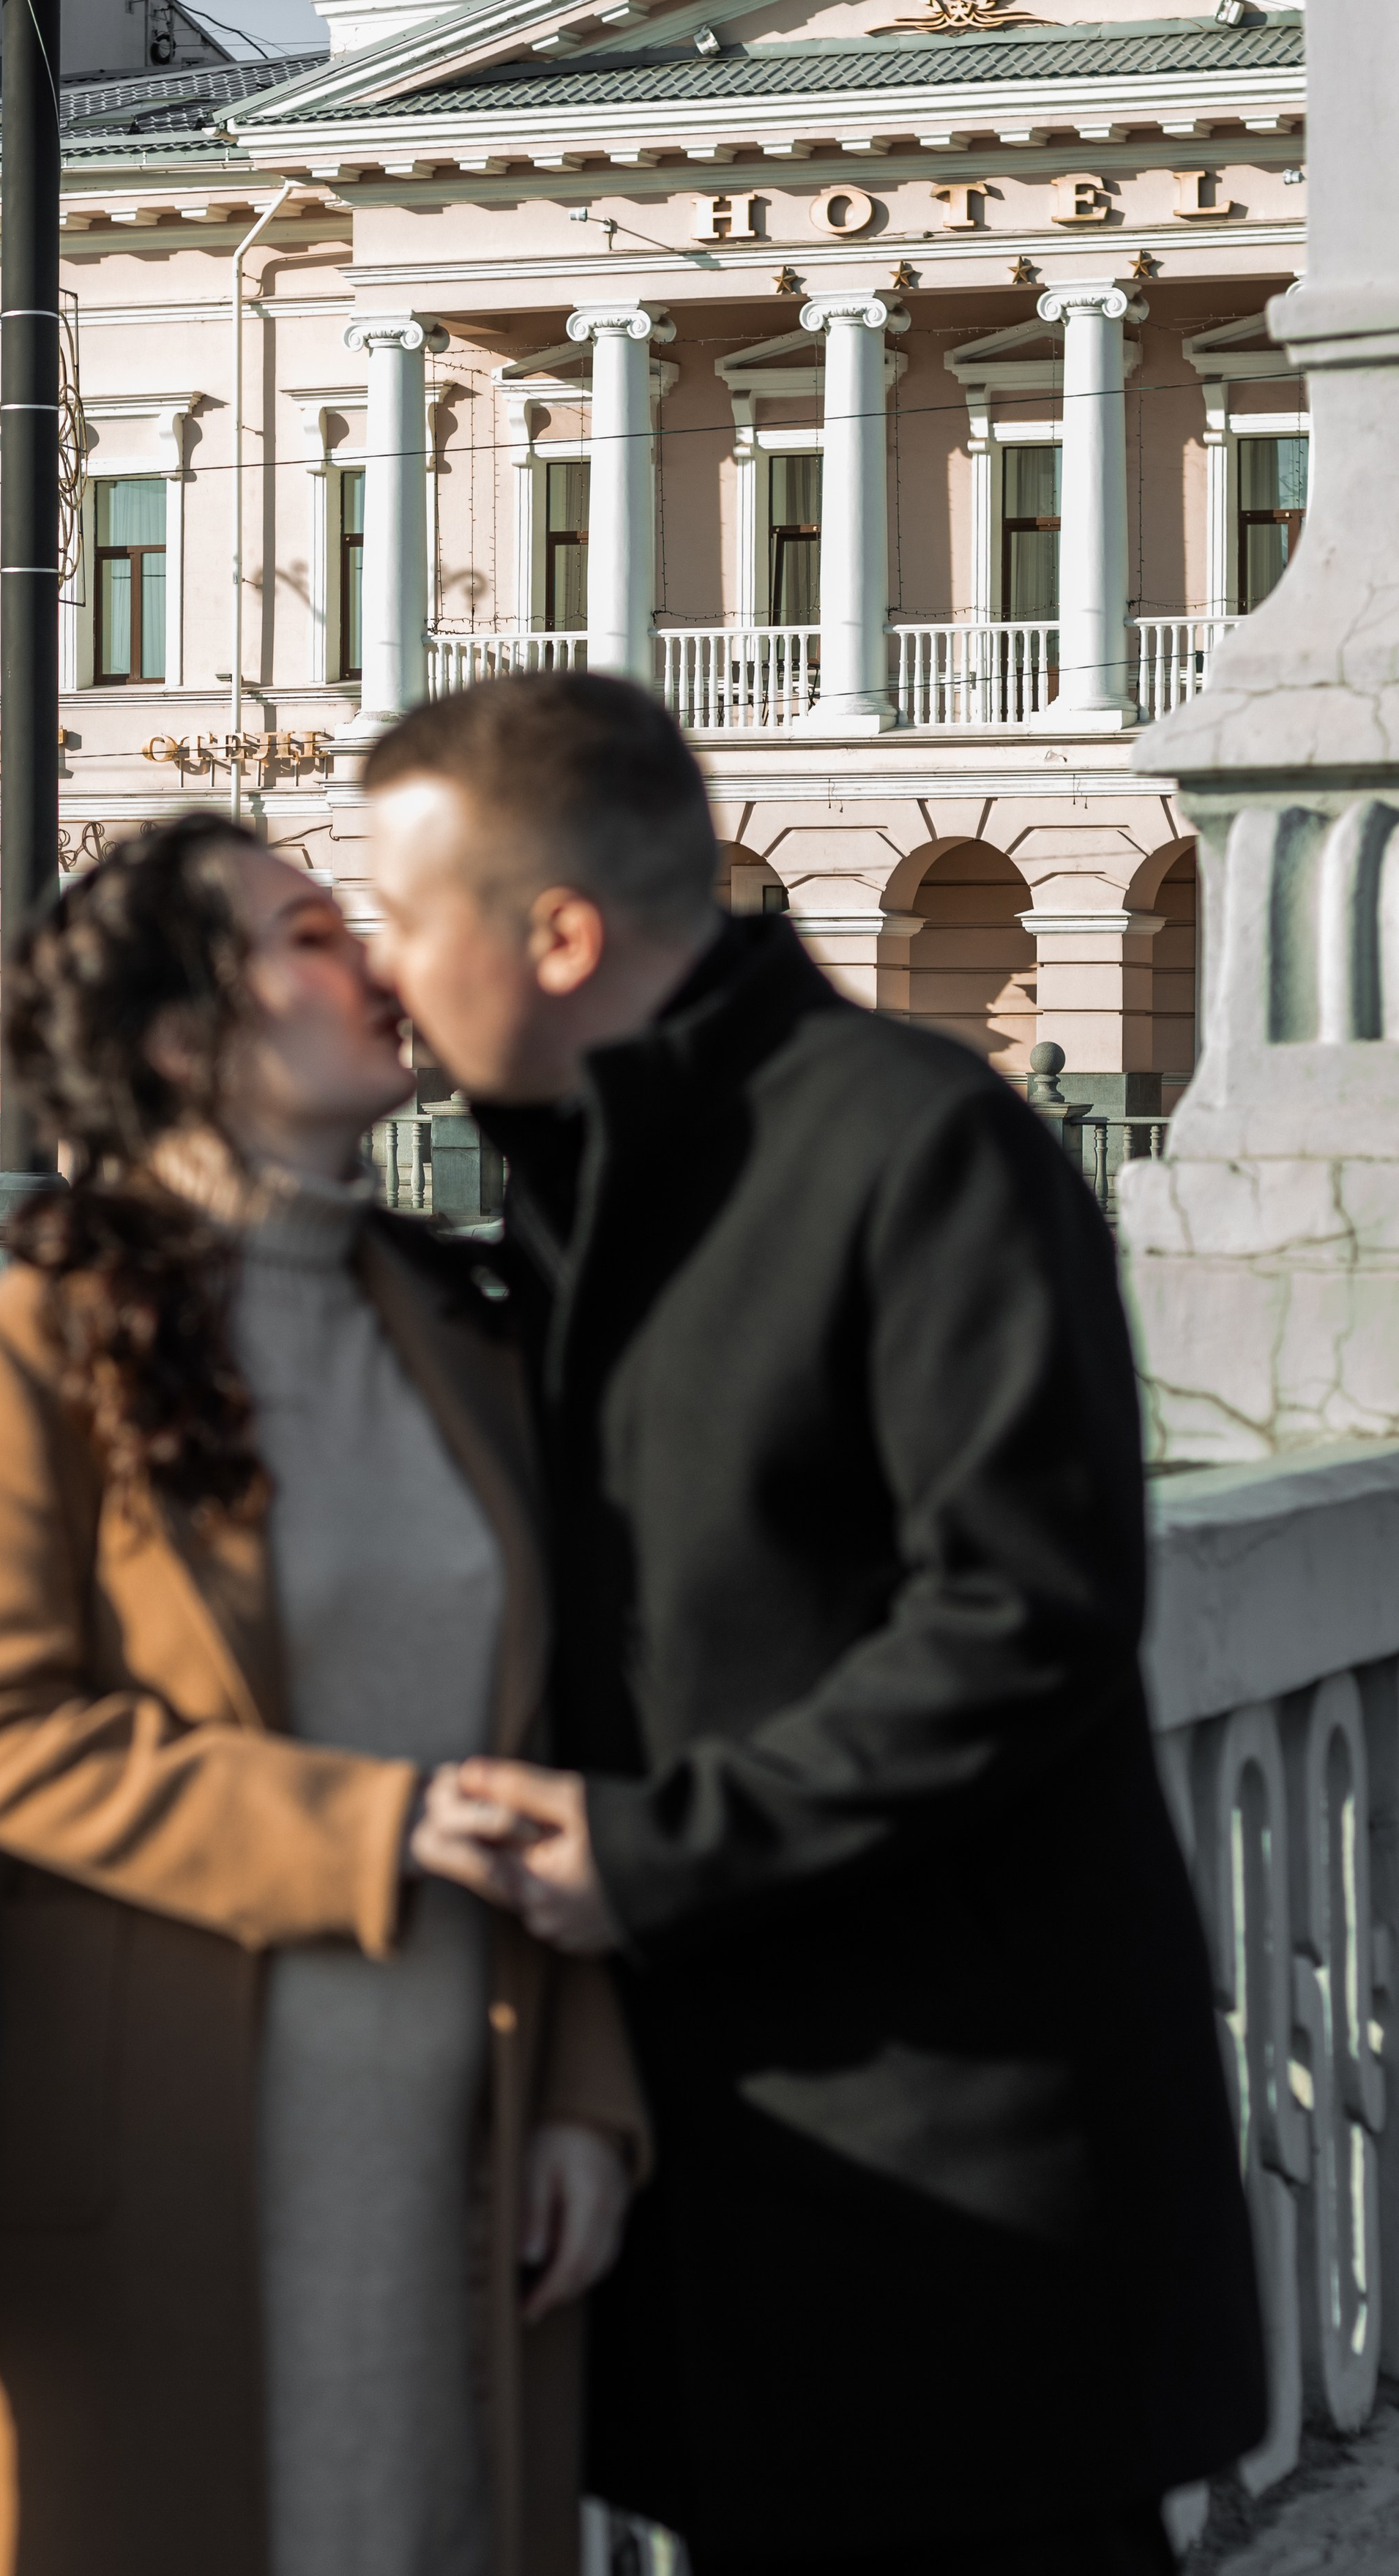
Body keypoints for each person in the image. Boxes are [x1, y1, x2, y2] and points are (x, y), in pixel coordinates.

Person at [366, 676, 1265, 2576]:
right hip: (749, 2188)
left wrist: (654, 1848)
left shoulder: (914, 1142)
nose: (387, 968)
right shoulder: (586, 1191)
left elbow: (1031, 1615)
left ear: (559, 932)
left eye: (406, 913)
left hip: (961, 2179)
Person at [0, 812, 646, 2576]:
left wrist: (594, 2099)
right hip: (188, 2170)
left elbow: (547, 1743)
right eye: (313, 934)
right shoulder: (30, 1347)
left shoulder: (456, 1335)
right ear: (179, 1037)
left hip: (473, 2154)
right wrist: (365, 1825)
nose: (378, 961)